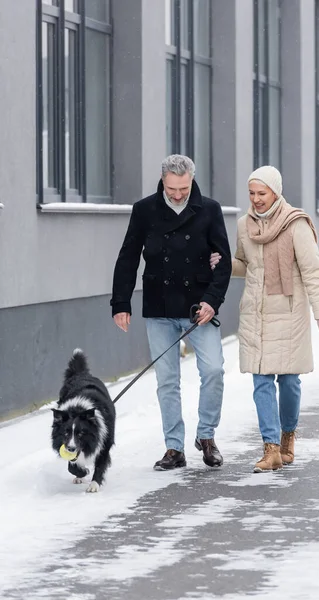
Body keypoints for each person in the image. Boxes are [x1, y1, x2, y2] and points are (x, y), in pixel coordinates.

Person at [111, 155, 231, 471]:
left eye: (184, 188)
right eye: (172, 188)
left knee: (214, 370)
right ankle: (174, 448)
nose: (178, 195)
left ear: (192, 180)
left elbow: (225, 261)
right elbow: (128, 257)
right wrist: (120, 303)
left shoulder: (209, 209)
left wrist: (212, 301)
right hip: (160, 304)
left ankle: (206, 436)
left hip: (197, 308)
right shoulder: (145, 210)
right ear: (163, 181)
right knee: (167, 380)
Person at [211, 165, 319, 473]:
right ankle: (270, 449)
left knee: (289, 381)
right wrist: (225, 263)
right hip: (256, 311)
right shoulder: (244, 225)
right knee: (261, 380)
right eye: (251, 193)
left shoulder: (296, 224)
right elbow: (245, 264)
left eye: (261, 193)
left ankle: (287, 437)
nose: (256, 199)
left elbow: (313, 272)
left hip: (289, 312)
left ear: (275, 192)